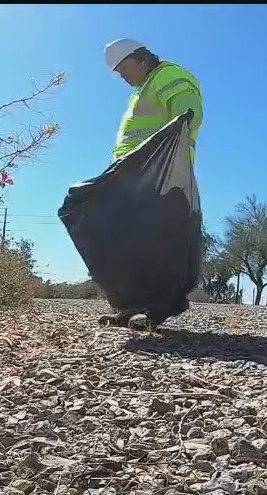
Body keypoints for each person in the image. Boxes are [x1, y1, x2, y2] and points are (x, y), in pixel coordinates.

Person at [97, 39, 204, 331]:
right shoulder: (141, 89)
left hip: (160, 176)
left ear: (141, 58)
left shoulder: (168, 75)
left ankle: (158, 308)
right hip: (133, 175)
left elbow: (187, 116)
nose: (122, 76)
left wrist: (156, 164)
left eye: (123, 68)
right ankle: (129, 305)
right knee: (128, 242)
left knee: (157, 242)